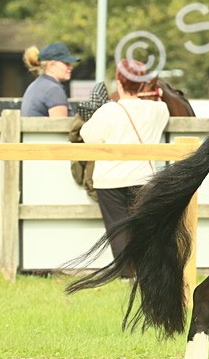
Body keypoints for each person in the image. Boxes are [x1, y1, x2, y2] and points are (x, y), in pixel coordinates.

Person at [80, 59, 170, 273]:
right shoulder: (158, 110)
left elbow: (88, 137)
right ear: (142, 85)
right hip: (143, 178)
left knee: (118, 230)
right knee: (143, 230)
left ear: (119, 84)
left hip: (110, 179)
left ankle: (127, 274)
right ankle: (147, 272)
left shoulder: (108, 111)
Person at [20, 42, 80, 117]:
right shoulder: (53, 90)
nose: (71, 67)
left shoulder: (36, 85)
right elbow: (61, 126)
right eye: (66, 63)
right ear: (51, 65)